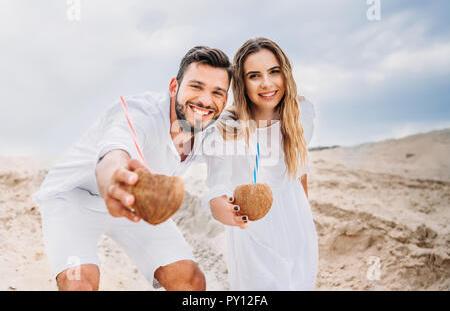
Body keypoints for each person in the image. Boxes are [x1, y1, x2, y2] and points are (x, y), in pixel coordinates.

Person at [32, 46, 232, 291]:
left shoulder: (210, 131)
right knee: (79, 284)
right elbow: (115, 151)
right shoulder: (140, 112)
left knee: (191, 282)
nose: (205, 100)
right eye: (196, 86)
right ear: (173, 87)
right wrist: (115, 178)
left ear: (224, 100)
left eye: (217, 92)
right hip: (73, 197)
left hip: (137, 206)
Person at [201, 38, 318, 290]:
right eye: (254, 76)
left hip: (296, 224)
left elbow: (300, 172)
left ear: (285, 73)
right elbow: (215, 188)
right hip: (253, 231)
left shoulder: (301, 112)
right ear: (242, 83)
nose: (267, 83)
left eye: (274, 72)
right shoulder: (226, 126)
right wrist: (227, 212)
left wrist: (305, 219)